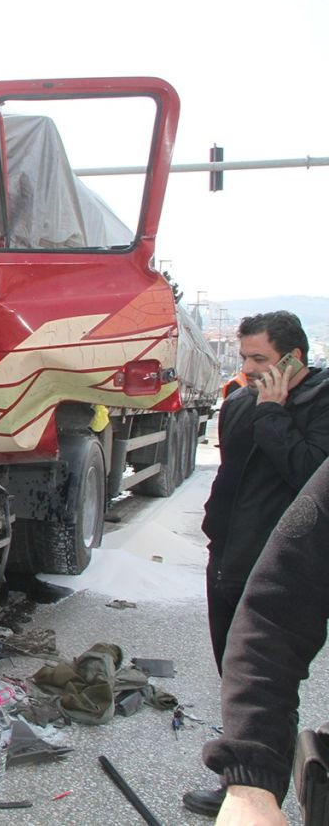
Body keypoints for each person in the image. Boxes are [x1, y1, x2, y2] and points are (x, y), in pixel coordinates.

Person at [184, 310, 329, 816]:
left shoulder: (321, 400)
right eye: (244, 358)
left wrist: (274, 413)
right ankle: (239, 782)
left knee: (268, 680)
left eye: (260, 359)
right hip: (228, 554)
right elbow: (230, 476)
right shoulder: (240, 399)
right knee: (235, 675)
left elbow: (308, 471)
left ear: (295, 357)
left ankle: (260, 793)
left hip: (279, 564)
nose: (248, 369)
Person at [204, 459, 329, 825]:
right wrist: (250, 780)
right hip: (239, 552)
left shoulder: (315, 407)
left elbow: (301, 459)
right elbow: (273, 618)